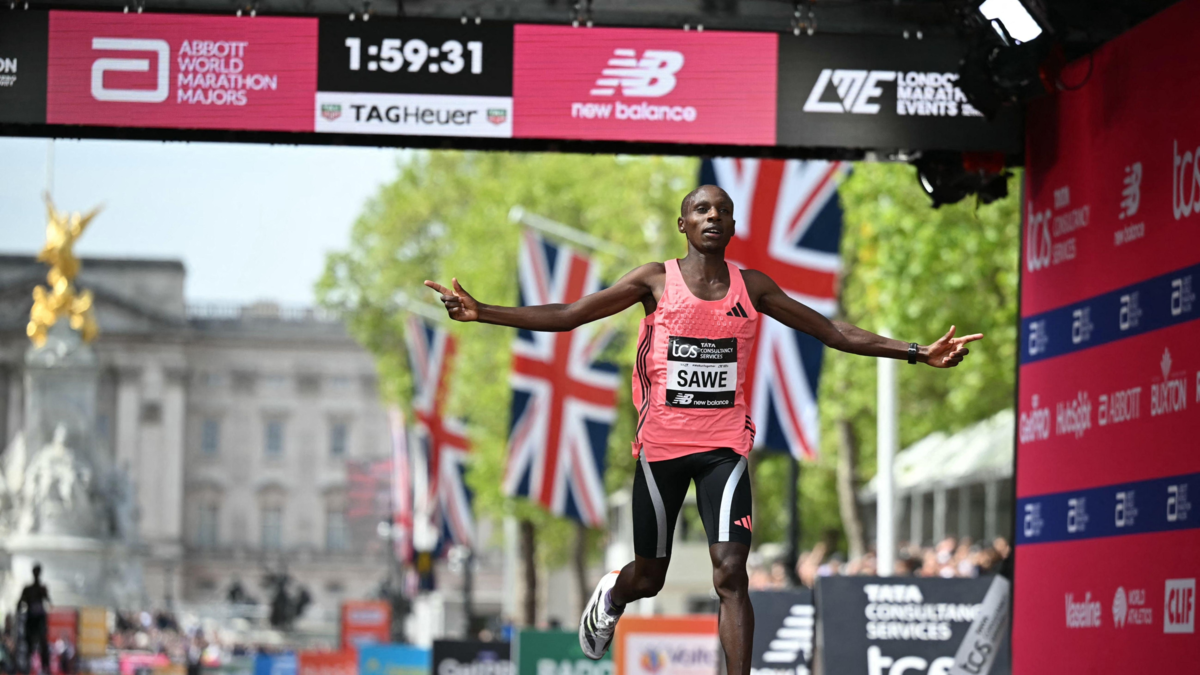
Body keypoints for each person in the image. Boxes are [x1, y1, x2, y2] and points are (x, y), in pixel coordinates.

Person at [424, 185, 982, 674]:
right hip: (661, 449)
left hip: (724, 449)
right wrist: (484, 312)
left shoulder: (753, 287)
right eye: (701, 209)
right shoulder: (653, 281)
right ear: (683, 224)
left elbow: (831, 329)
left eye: (722, 211)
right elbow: (572, 313)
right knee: (650, 578)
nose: (712, 216)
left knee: (731, 572)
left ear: (733, 226)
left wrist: (915, 351)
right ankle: (613, 594)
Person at [17, 564, 51, 673]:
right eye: (35, 572)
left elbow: (49, 602)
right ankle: (27, 667)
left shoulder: (42, 588)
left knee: (43, 643)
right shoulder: (27, 589)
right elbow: (19, 604)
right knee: (28, 645)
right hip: (31, 619)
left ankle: (45, 667)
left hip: (39, 620)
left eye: (38, 572)